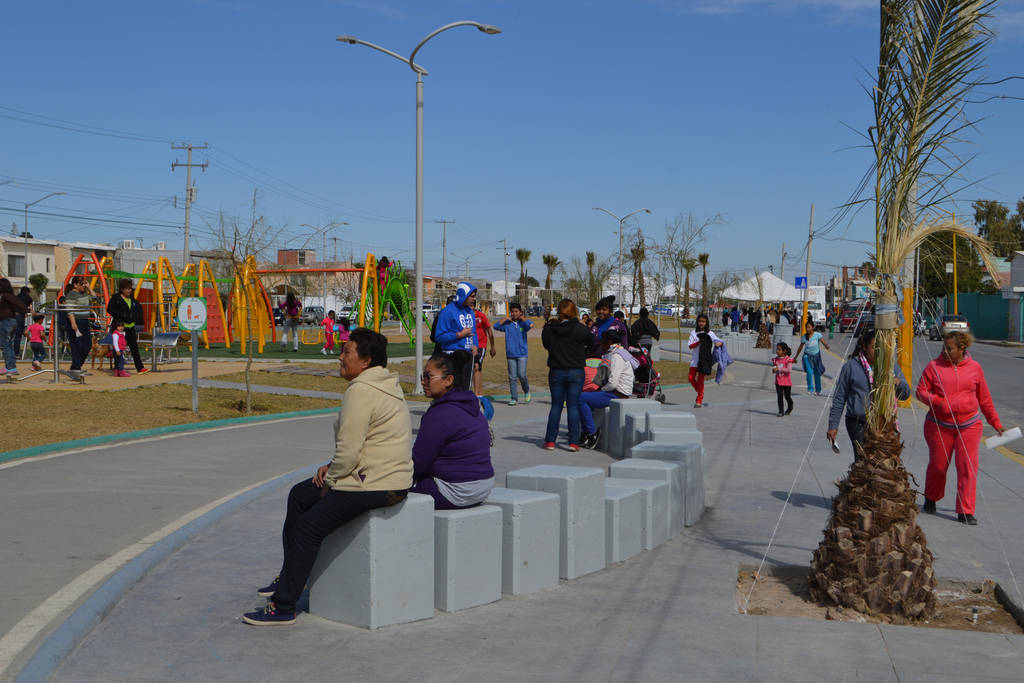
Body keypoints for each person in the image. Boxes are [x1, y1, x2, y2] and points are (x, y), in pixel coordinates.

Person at [244, 328, 412, 626]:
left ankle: (284, 605)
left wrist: (332, 481)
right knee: (299, 495)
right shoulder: (386, 383)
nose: (340, 357)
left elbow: (349, 451)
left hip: (376, 483)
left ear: (366, 360)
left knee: (309, 527)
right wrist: (331, 468)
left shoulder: (361, 390)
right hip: (387, 478)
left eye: (346, 352)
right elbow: (364, 445)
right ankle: (289, 574)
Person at [917, 331, 1004, 526]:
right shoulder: (934, 367)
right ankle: (931, 497)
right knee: (939, 466)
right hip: (939, 426)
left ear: (962, 349)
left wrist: (996, 423)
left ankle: (965, 511)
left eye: (950, 349)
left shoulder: (975, 368)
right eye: (944, 348)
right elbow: (921, 391)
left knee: (967, 468)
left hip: (969, 426)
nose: (945, 352)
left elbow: (985, 399)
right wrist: (937, 401)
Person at [410, 351, 494, 509]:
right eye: (422, 376)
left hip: (456, 491)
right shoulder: (471, 403)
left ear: (449, 380)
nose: (423, 381)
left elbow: (419, 463)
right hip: (484, 486)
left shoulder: (440, 414)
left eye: (429, 376)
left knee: (395, 494)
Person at [826, 329, 911, 456]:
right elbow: (839, 397)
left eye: (880, 348)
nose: (877, 352)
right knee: (864, 459)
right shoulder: (851, 367)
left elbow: (905, 393)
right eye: (873, 347)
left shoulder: (890, 366)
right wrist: (833, 425)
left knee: (883, 461)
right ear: (864, 347)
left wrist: (896, 382)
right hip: (858, 422)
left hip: (884, 423)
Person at [541, 298, 589, 451]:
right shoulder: (580, 328)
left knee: (556, 405)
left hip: (556, 370)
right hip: (575, 370)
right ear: (574, 311)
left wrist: (547, 324)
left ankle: (550, 441)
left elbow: (546, 344)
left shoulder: (550, 328)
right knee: (573, 406)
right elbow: (592, 341)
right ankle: (573, 442)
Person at [579, 329, 635, 449]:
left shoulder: (617, 356)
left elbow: (613, 383)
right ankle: (586, 432)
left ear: (609, 341)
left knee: (581, 398)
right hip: (616, 392)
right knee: (587, 399)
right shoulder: (621, 352)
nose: (600, 345)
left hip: (617, 393)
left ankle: (592, 433)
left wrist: (602, 389)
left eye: (602, 342)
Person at [106, 278, 148, 374]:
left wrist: (136, 319)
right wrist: (121, 315)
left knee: (134, 348)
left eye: (130, 288)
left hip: (130, 327)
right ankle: (119, 369)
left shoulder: (132, 299)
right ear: (122, 289)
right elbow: (110, 309)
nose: (129, 290)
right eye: (127, 288)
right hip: (120, 328)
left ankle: (140, 368)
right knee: (119, 348)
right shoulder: (116, 298)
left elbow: (137, 309)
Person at [493, 302, 532, 406]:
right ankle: (514, 397)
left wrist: (522, 318)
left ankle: (526, 390)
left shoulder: (523, 324)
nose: (514, 314)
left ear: (520, 312)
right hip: (511, 354)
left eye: (516, 311)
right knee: (512, 377)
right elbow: (495, 326)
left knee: (522, 375)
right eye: (512, 312)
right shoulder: (507, 324)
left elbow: (531, 324)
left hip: (522, 354)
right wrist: (505, 319)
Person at [687, 313, 723, 408]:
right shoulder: (693, 332)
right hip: (694, 361)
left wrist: (719, 344)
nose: (701, 323)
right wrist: (699, 341)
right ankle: (700, 392)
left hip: (704, 361)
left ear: (706, 322)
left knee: (700, 381)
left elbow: (719, 341)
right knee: (690, 378)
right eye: (699, 321)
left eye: (703, 321)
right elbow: (690, 346)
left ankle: (699, 400)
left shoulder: (710, 333)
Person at [62, 276, 95, 378]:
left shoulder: (84, 293)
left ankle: (76, 367)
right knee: (76, 345)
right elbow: (70, 309)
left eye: (84, 283)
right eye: (82, 284)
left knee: (88, 344)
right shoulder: (71, 294)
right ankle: (76, 368)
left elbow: (94, 297)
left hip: (85, 321)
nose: (83, 286)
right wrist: (73, 323)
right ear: (75, 284)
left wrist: (89, 287)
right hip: (76, 321)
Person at [433, 283, 477, 355]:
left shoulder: (470, 311)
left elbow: (474, 332)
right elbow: (439, 337)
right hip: (451, 355)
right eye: (472, 296)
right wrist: (459, 335)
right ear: (464, 295)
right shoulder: (447, 311)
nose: (474, 299)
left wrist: (475, 346)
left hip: (468, 355)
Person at [0, 278, 29, 376]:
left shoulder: (6, 296)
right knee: (9, 345)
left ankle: (10, 367)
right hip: (11, 322)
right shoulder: (8, 296)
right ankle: (11, 367)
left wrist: (26, 309)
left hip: (6, 322)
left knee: (5, 345)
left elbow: (18, 303)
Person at [793, 320, 830, 396]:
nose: (807, 329)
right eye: (806, 327)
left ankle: (818, 390)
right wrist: (795, 357)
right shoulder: (804, 337)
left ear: (813, 327)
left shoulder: (817, 335)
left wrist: (826, 345)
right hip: (807, 356)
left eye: (809, 327)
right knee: (809, 372)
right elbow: (800, 347)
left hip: (816, 357)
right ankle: (810, 389)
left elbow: (823, 341)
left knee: (817, 373)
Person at [472, 301, 496, 396]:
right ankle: (479, 392)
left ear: (474, 306)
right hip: (470, 345)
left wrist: (492, 346)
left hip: (481, 345)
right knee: (475, 369)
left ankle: (477, 394)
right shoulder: (465, 316)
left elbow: (489, 331)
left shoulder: (481, 316)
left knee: (476, 367)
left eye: (471, 306)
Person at [772, 342, 795, 417]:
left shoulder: (788, 360)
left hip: (787, 382)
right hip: (778, 381)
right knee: (779, 397)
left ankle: (790, 406)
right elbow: (774, 368)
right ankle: (781, 411)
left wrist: (779, 368)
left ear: (784, 351)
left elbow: (789, 370)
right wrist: (774, 370)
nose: (777, 351)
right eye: (777, 349)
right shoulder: (775, 359)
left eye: (779, 349)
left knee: (787, 396)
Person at [14, 286, 32, 357]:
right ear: (27, 292)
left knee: (12, 336)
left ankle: (10, 352)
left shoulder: (16, 297)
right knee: (18, 336)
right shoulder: (28, 298)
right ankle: (16, 353)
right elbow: (30, 308)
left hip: (12, 317)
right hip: (20, 317)